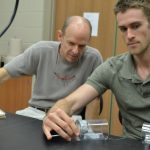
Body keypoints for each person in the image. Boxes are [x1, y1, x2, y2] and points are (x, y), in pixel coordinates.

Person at [43, 0, 150, 141]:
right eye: (123, 29)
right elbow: (71, 102)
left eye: (136, 26)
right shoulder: (113, 68)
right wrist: (54, 115)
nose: (129, 35)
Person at [0, 16, 103, 119]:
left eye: (81, 46)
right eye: (71, 43)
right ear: (60, 36)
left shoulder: (93, 58)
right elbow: (4, 73)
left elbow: (94, 97)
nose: (75, 51)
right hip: (36, 113)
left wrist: (90, 131)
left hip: (69, 117)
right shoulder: (41, 50)